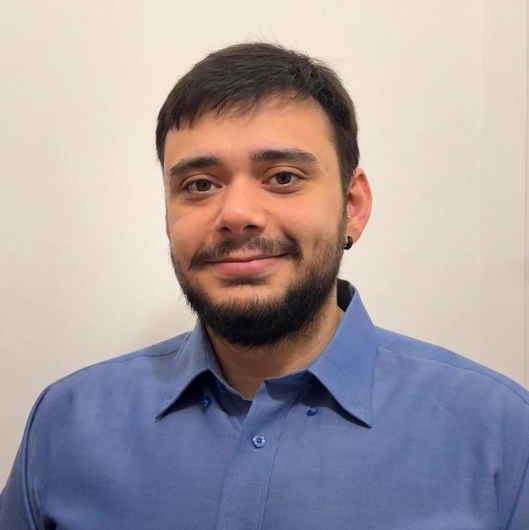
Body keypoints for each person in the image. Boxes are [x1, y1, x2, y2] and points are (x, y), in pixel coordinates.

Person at [1, 42, 528, 530]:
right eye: (199, 185)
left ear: (352, 206)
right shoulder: (66, 423)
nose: (236, 214)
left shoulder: (500, 433)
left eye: (282, 177)